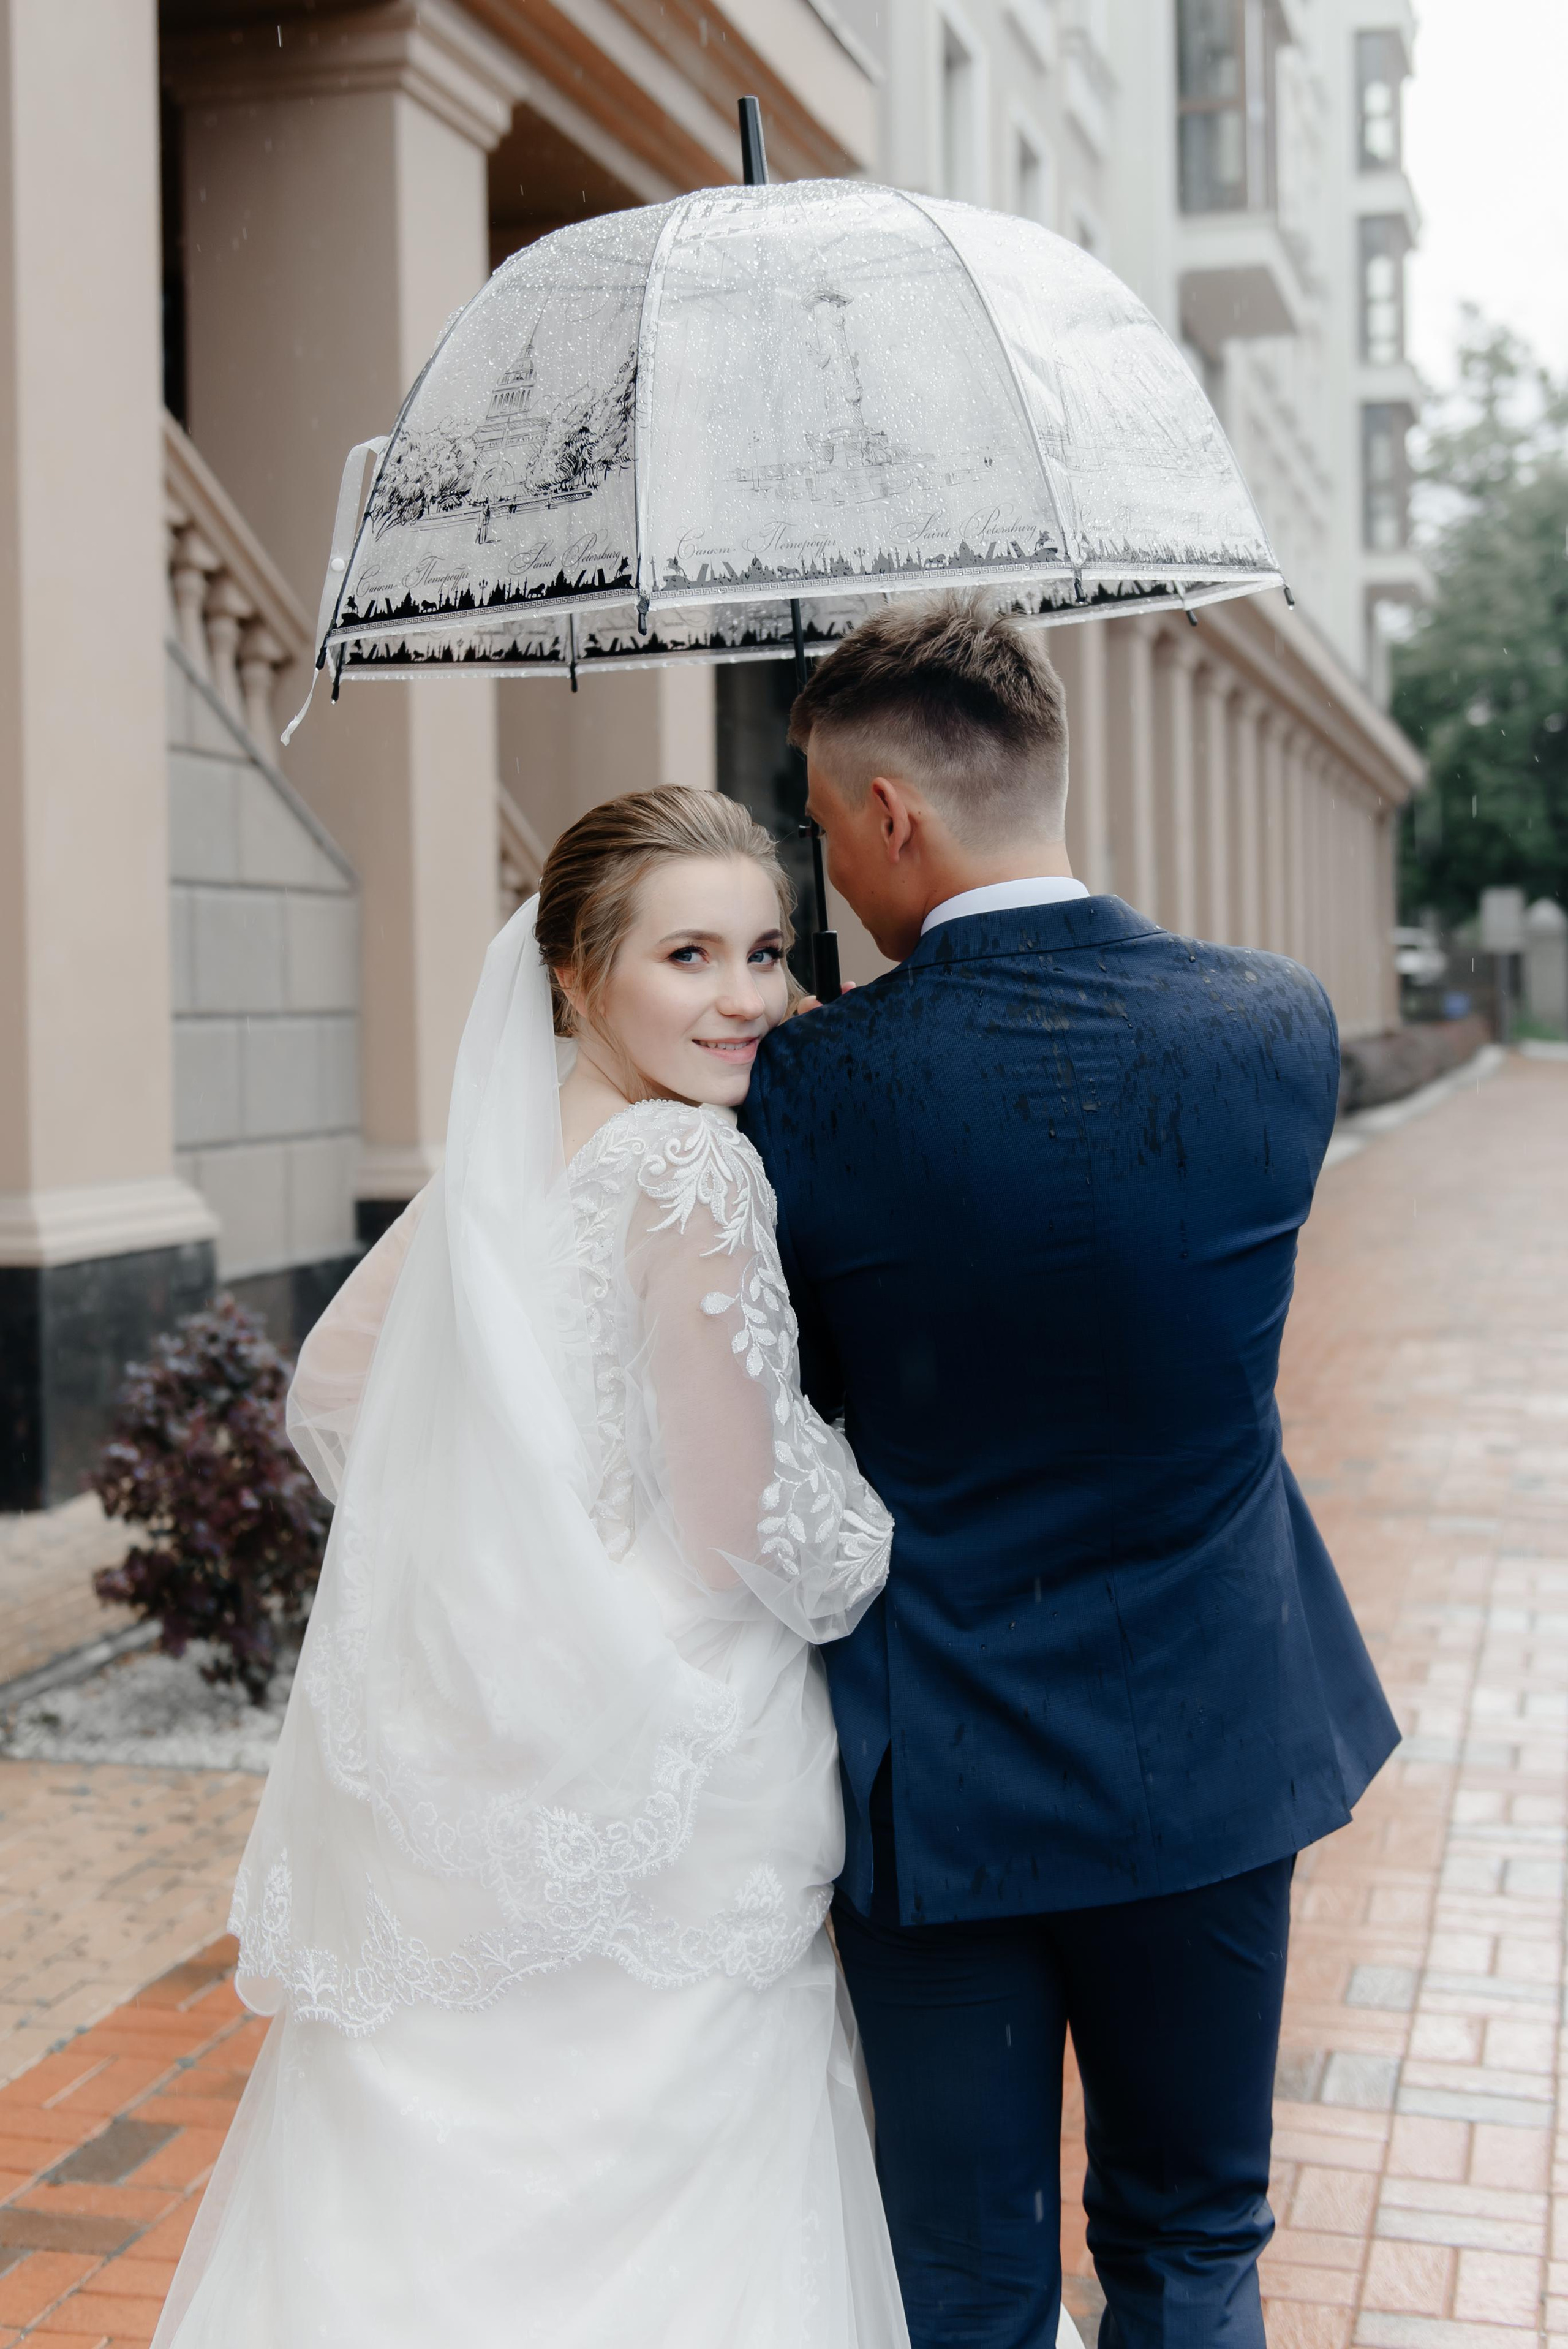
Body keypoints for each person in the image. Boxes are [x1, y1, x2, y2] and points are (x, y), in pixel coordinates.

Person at [151, 788, 911, 2349]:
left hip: (476, 1732)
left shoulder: (502, 1153)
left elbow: (335, 1389)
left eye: (765, 951)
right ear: (574, 973)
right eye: (687, 955)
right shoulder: (690, 1170)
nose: (748, 997)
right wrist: (880, 1517)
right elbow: (744, 1527)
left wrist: (516, 1546)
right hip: (677, 1765)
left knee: (430, 2171)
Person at [739, 595, 1400, 2349]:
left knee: (962, 2287)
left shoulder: (809, 1086)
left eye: (819, 825)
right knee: (1194, 2247)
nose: (827, 876)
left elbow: (793, 1400)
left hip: (939, 1766)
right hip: (1218, 1739)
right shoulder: (1277, 1030)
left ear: (894, 817)